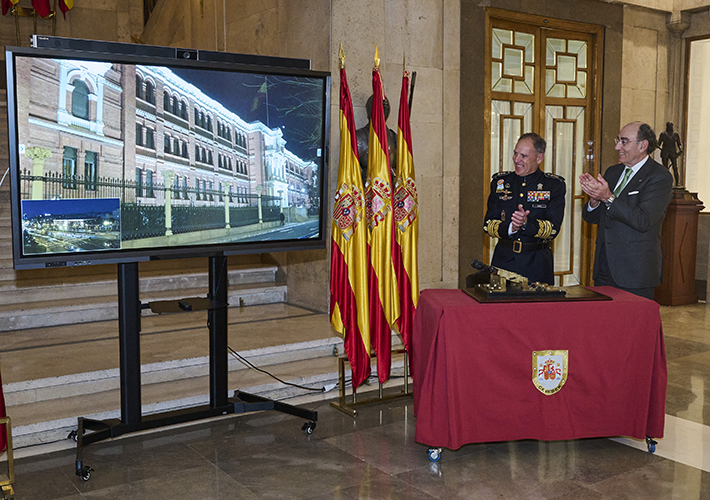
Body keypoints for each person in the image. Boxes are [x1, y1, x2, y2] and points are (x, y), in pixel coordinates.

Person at [580, 122, 673, 299]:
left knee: (632, 325)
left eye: (624, 141)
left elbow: (643, 220)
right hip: (604, 268)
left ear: (642, 145)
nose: (617, 147)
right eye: (618, 140)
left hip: (635, 273)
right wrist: (594, 200)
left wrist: (608, 197)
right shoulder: (612, 172)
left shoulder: (659, 177)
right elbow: (592, 218)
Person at [483, 132, 566, 285]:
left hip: (537, 264)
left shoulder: (554, 186)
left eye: (524, 156)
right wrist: (511, 227)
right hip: (504, 262)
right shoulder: (500, 182)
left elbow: (553, 229)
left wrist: (526, 223)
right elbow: (488, 225)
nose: (517, 159)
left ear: (539, 158)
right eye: (515, 153)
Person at [657, 122, 683, 187]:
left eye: (671, 126)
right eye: (669, 126)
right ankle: (666, 182)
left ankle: (677, 182)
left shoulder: (675, 135)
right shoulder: (663, 134)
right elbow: (659, 143)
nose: (670, 127)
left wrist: (680, 150)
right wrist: (655, 144)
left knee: (675, 167)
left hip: (673, 152)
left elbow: (679, 144)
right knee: (665, 169)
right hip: (665, 152)